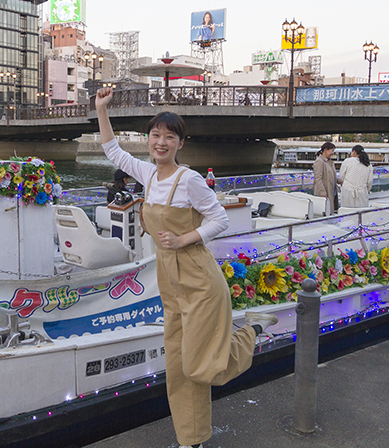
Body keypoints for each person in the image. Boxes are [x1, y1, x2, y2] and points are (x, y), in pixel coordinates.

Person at [95, 87, 276, 448]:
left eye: (169, 137)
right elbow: (112, 149)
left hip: (199, 279)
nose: (161, 142)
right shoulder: (148, 175)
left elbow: (219, 219)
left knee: (199, 366)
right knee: (178, 367)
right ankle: (192, 440)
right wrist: (101, 109)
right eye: (155, 135)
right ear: (149, 139)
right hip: (170, 281)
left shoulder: (190, 180)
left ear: (180, 144)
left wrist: (185, 238)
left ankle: (251, 331)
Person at [313, 142, 338, 212]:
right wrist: (322, 192)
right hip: (324, 193)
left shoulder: (328, 162)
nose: (332, 153)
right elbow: (318, 178)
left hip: (331, 191)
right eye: (332, 150)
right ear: (326, 150)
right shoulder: (319, 162)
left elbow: (332, 176)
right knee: (325, 211)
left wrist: (340, 180)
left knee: (329, 210)